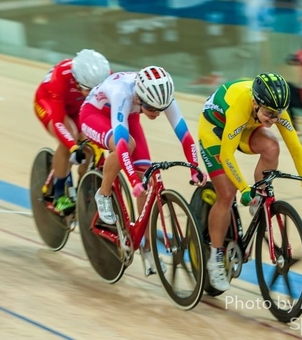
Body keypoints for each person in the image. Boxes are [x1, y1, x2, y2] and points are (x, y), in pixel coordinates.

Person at [197, 73, 302, 291]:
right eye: (269, 115)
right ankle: (215, 258)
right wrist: (244, 189)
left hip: (245, 127)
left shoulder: (273, 108)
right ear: (255, 102)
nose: (274, 120)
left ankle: (259, 197)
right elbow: (227, 156)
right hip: (215, 130)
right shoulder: (240, 105)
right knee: (226, 194)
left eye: (278, 115)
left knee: (273, 146)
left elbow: (296, 148)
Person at [79, 65, 207, 275]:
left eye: (161, 109)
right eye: (153, 109)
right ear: (139, 99)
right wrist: (132, 181)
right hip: (94, 114)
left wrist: (194, 168)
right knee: (127, 146)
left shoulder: (160, 96)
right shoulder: (123, 93)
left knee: (146, 182)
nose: (157, 114)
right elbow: (121, 146)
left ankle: (146, 248)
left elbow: (185, 136)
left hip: (129, 117)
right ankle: (103, 193)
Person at [33, 49, 111, 215]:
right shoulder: (61, 76)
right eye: (88, 89)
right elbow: (59, 121)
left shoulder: (104, 74)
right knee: (71, 138)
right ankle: (59, 195)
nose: (93, 94)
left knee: (91, 145)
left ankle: (84, 188)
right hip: (48, 103)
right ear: (76, 81)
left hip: (78, 109)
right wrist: (73, 147)